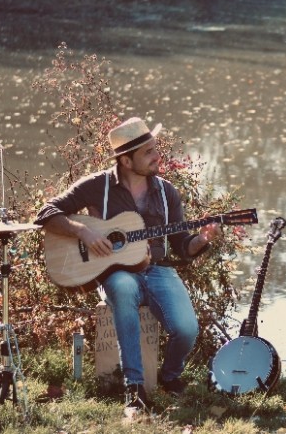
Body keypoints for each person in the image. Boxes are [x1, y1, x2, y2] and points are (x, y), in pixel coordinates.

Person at [35, 117, 223, 414]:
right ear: (125, 159)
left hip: (158, 268)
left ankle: (169, 377)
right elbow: (47, 212)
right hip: (115, 271)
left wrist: (201, 239)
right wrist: (83, 231)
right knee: (123, 287)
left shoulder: (166, 192)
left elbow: (182, 246)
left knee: (187, 329)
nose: (157, 156)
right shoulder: (98, 186)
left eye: (154, 149)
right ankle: (134, 389)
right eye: (148, 152)